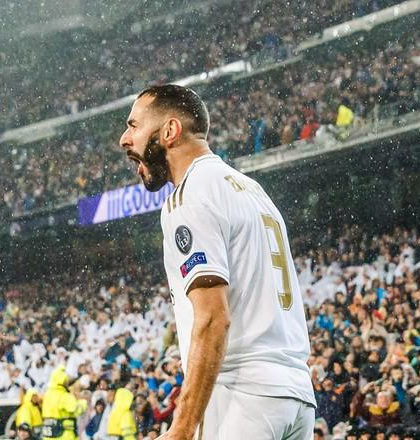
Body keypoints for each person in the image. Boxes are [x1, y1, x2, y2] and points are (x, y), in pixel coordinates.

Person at [119, 84, 316, 439]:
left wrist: (181, 427)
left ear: (169, 131)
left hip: (243, 395)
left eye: (134, 126)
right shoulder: (250, 189)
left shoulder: (191, 194)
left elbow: (213, 317)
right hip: (296, 394)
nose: (124, 138)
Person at [41, 366, 88, 440]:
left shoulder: (47, 394)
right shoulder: (64, 395)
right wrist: (83, 402)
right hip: (64, 434)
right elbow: (75, 409)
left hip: (48, 435)